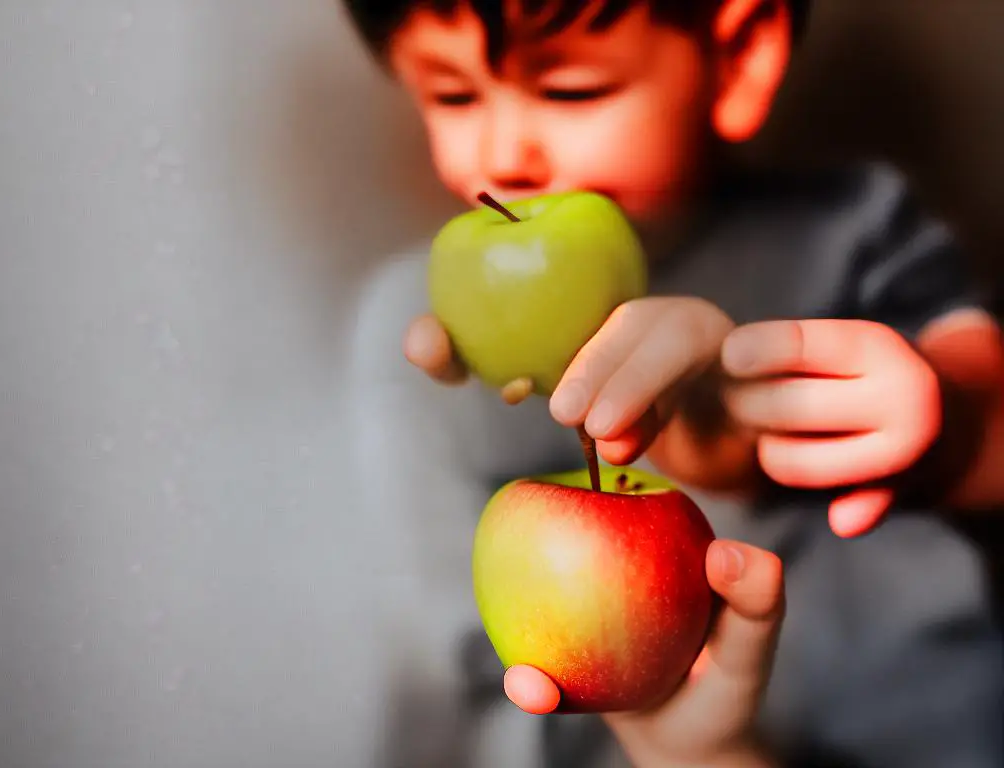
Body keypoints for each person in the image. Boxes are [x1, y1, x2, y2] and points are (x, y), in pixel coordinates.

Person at [343, 1, 1004, 766]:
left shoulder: (853, 232)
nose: (503, 156)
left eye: (571, 91)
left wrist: (936, 420)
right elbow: (469, 677)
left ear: (740, 54)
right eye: (454, 96)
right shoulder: (424, 328)